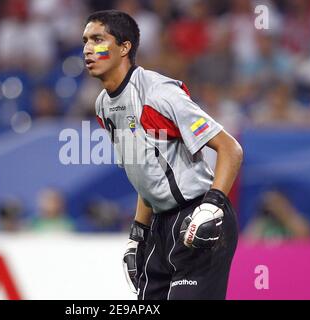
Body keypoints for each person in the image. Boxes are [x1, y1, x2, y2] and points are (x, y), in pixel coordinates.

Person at [82, 10, 243, 300]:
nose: (88, 49)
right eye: (85, 41)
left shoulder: (159, 94)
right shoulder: (103, 106)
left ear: (124, 47)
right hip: (159, 225)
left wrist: (213, 206)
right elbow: (147, 173)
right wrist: (138, 233)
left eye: (98, 40)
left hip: (199, 215)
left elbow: (230, 148)